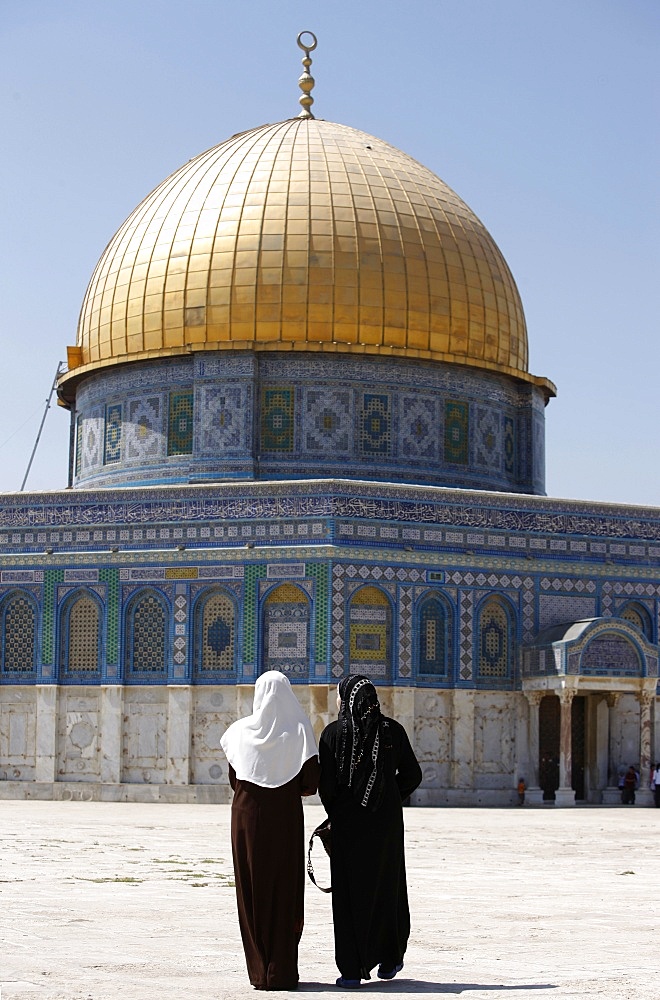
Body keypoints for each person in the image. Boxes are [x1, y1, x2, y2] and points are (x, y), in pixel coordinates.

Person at [318, 674, 422, 989]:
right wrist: (388, 795)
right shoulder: (393, 730)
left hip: (348, 826)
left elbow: (327, 788)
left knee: (350, 893)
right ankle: (390, 958)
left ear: (346, 699)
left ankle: (351, 971)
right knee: (387, 887)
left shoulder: (333, 734)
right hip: (386, 824)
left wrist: (340, 811)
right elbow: (413, 774)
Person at [220, 670, 320, 991]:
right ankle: (281, 971)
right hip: (285, 819)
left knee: (252, 889)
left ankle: (259, 972)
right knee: (284, 888)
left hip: (246, 819)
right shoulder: (301, 731)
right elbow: (310, 783)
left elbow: (235, 781)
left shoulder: (238, 733)